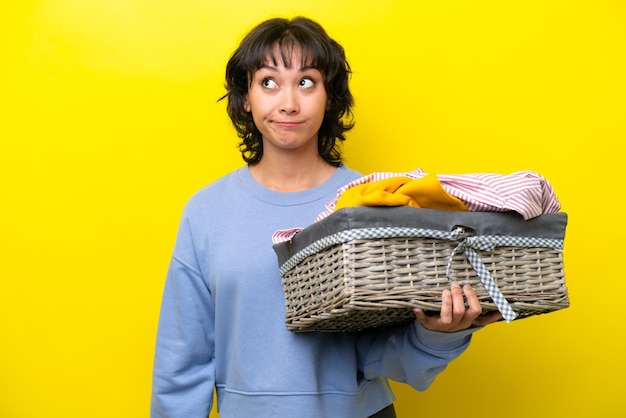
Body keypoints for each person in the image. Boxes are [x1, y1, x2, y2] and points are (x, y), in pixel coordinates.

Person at [151, 16, 502, 418]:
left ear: (330, 96)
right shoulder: (205, 211)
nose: (288, 102)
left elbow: (385, 354)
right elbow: (182, 361)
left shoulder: (372, 203)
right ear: (245, 97)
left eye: (306, 82)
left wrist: (438, 335)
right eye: (268, 82)